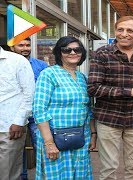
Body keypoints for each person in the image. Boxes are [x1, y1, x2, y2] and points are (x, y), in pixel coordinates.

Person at [87, 16, 133, 180]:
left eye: (130, 30)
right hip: (109, 118)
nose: (124, 34)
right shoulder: (102, 53)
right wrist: (130, 92)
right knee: (108, 168)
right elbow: (93, 88)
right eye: (120, 30)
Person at [33, 36, 96, 179]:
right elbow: (39, 110)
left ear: (82, 53)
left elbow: (88, 109)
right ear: (59, 53)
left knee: (80, 175)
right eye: (67, 50)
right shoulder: (49, 74)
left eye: (77, 49)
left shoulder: (82, 78)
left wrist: (93, 135)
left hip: (80, 138)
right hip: (55, 138)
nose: (73, 53)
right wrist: (49, 143)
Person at [10, 37, 48, 180]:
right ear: (12, 48)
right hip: (15, 116)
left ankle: (43, 176)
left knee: (42, 149)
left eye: (27, 45)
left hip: (36, 116)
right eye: (21, 45)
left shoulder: (41, 65)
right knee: (17, 152)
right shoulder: (7, 64)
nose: (25, 48)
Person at [0, 46, 35, 179]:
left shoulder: (17, 61)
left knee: (7, 173)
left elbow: (29, 94)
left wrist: (19, 121)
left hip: (9, 127)